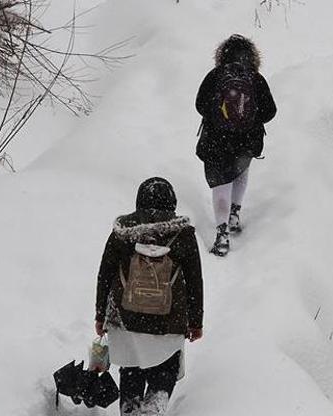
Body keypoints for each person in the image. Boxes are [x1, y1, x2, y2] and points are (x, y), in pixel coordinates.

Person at [94, 177, 204, 416]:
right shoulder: (183, 234)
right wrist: (196, 322)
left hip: (126, 317)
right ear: (172, 202)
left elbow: (105, 274)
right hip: (169, 319)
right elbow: (195, 280)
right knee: (165, 367)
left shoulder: (123, 233)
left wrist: (100, 315)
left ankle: (130, 408)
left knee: (131, 366)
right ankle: (154, 406)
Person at [195, 34, 277, 257]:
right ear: (252, 56)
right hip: (246, 141)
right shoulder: (255, 78)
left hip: (215, 141)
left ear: (222, 55)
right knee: (240, 171)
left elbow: (200, 105)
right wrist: (249, 119)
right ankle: (234, 213)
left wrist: (219, 117)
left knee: (220, 184)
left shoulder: (215, 76)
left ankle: (222, 234)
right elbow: (270, 111)